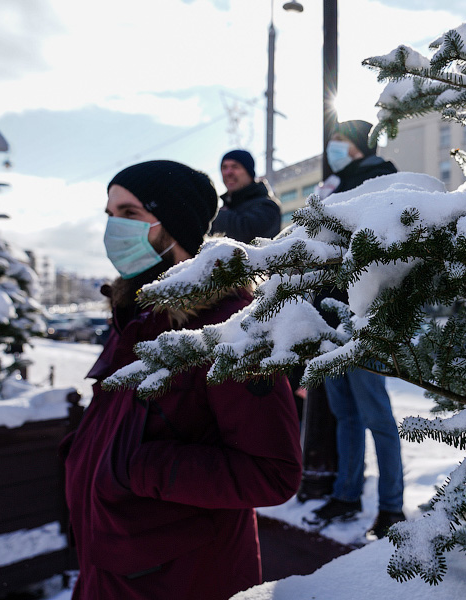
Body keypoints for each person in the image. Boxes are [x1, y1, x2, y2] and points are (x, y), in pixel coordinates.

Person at [60, 160, 302, 600]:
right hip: (112, 571)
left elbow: (274, 472)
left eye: (130, 214)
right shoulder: (132, 316)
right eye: (110, 214)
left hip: (181, 580)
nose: (114, 228)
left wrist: (136, 468)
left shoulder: (226, 330)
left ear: (173, 227)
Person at [305, 120, 405, 540]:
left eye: (341, 140)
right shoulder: (331, 185)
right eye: (331, 141)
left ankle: (391, 508)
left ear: (361, 144)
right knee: (345, 414)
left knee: (376, 414)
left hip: (365, 315)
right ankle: (347, 495)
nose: (333, 147)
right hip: (329, 316)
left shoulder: (379, 176)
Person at [210, 149, 282, 242]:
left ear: (249, 173)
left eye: (235, 166)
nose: (228, 173)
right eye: (224, 167)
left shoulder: (267, 206)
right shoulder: (225, 208)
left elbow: (247, 234)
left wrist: (216, 215)